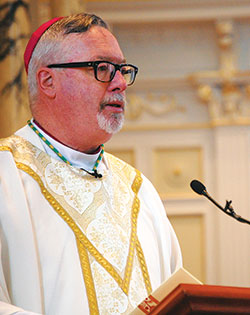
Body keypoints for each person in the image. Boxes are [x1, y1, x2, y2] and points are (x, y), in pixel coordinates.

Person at [0, 13, 182, 315]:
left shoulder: (138, 191)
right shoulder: (6, 176)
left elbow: (177, 298)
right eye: (102, 69)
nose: (120, 83)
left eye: (122, 70)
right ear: (48, 80)